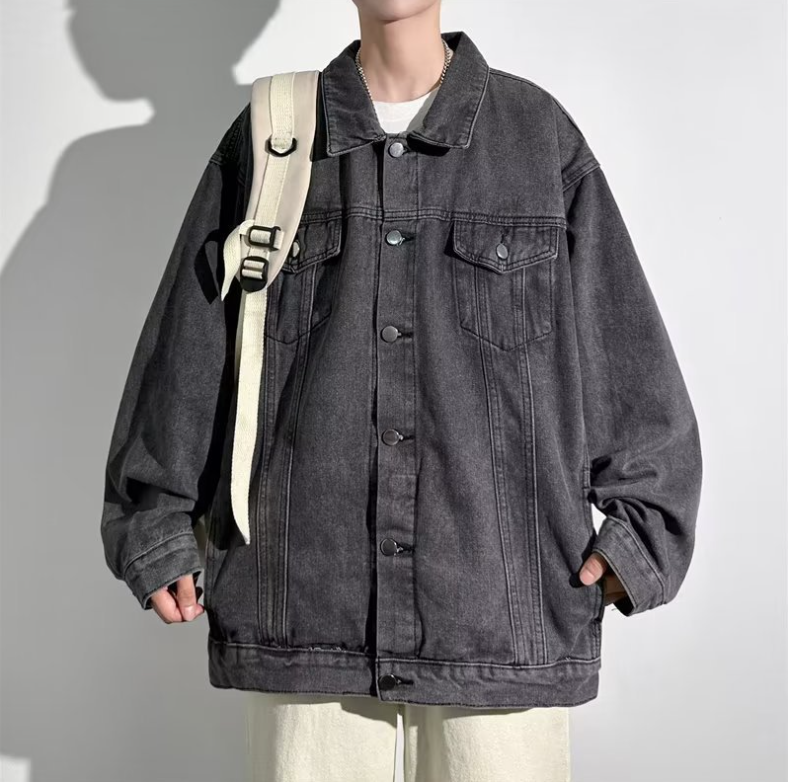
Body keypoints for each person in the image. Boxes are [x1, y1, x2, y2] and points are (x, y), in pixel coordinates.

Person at [100, 2, 703, 780]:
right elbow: (191, 340)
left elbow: (625, 348)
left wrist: (644, 532)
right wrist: (155, 520)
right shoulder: (272, 137)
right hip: (306, 610)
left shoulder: (535, 137)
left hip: (498, 622)